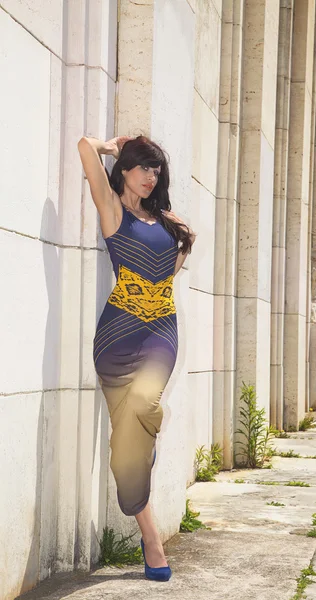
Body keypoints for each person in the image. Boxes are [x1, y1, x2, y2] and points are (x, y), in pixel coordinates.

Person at [77, 134, 196, 580]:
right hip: (117, 336)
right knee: (128, 441)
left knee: (145, 406)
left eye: (156, 170)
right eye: (144, 167)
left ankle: (145, 519)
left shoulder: (166, 219)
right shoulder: (112, 210)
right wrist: (112, 146)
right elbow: (83, 148)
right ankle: (150, 538)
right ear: (125, 169)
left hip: (161, 329)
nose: (151, 176)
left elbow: (172, 265)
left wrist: (180, 252)